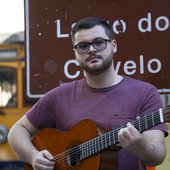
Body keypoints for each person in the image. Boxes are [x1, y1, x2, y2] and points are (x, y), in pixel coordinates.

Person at [8, 17, 168, 170]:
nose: (91, 49)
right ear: (75, 54)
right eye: (83, 46)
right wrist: (33, 156)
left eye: (99, 42)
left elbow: (158, 155)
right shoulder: (60, 95)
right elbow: (17, 131)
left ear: (113, 46)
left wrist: (141, 147)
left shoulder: (145, 92)